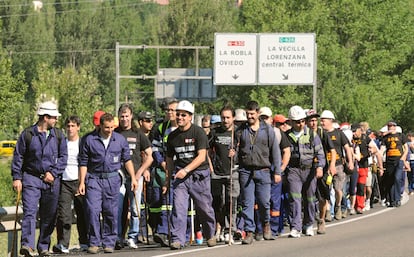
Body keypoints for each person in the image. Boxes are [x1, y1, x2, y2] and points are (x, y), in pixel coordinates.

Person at [11, 101, 68, 257]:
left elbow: (63, 157)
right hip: (31, 178)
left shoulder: (58, 135)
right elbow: (18, 157)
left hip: (51, 181)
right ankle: (27, 246)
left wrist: (54, 173)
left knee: (49, 214)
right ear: (45, 117)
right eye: (54, 117)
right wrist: (17, 177)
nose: (56, 120)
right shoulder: (28, 134)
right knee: (30, 212)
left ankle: (43, 246)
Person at [78, 113, 138, 254]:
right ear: (100, 125)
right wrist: (81, 182)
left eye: (112, 127)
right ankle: (94, 242)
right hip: (94, 179)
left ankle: (109, 241)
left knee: (111, 212)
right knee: (92, 210)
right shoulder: (89, 139)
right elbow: (83, 162)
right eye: (106, 127)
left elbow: (127, 160)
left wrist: (133, 178)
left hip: (112, 179)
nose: (109, 130)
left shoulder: (120, 140)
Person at [165, 100, 217, 250]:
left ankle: (210, 234)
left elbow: (202, 156)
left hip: (198, 175)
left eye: (183, 115)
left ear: (190, 117)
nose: (180, 117)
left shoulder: (198, 132)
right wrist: (167, 181)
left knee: (204, 208)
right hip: (180, 177)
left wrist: (186, 170)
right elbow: (169, 160)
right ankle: (177, 239)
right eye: (178, 114)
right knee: (178, 208)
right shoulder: (172, 136)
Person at [235, 100, 282, 245]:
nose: (250, 116)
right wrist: (233, 154)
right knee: (247, 203)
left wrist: (277, 171)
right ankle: (249, 231)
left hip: (264, 170)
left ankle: (266, 225)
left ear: (258, 113)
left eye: (252, 114)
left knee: (264, 202)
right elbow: (237, 151)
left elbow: (275, 151)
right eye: (248, 114)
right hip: (246, 171)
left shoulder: (268, 130)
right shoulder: (241, 130)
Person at [114, 105, 153, 249]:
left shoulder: (138, 133)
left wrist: (140, 172)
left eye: (127, 116)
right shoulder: (115, 133)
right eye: (122, 116)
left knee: (136, 210)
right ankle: (118, 237)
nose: (124, 119)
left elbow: (150, 157)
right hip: (118, 177)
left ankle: (132, 236)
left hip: (135, 177)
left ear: (131, 116)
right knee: (118, 209)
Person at [285, 106, 325, 238]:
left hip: (309, 170)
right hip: (293, 170)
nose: (300, 124)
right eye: (297, 121)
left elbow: (320, 153)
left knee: (310, 198)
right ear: (291, 121)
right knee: (295, 199)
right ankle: (295, 226)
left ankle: (308, 225)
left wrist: (320, 167)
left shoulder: (312, 135)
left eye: (302, 121)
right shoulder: (287, 136)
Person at [53, 116, 88, 254]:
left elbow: (85, 163)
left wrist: (82, 182)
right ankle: (63, 243)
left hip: (79, 181)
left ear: (78, 127)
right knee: (64, 215)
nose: (70, 128)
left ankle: (84, 241)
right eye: (68, 126)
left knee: (82, 213)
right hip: (65, 182)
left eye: (73, 126)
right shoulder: (62, 143)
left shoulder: (82, 143)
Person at [149, 97, 179, 247]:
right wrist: (161, 162)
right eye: (168, 110)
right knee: (165, 201)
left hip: (180, 169)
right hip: (163, 169)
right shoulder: (161, 128)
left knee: (176, 203)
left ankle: (177, 233)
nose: (170, 113)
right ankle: (161, 231)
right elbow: (155, 147)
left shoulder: (183, 127)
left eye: (173, 110)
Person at [209, 105, 239, 244]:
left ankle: (230, 229)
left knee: (231, 202)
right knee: (218, 203)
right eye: (223, 117)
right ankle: (219, 228)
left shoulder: (238, 133)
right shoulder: (215, 132)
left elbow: (244, 151)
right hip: (217, 173)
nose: (225, 120)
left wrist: (236, 153)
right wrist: (210, 167)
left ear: (233, 118)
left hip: (233, 172)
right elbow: (206, 150)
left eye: (228, 117)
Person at [306, 109, 336, 234]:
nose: (313, 123)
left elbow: (332, 151)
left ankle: (321, 220)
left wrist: (332, 165)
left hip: (322, 169)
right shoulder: (304, 134)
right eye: (311, 120)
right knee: (308, 197)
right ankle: (307, 222)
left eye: (315, 120)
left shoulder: (322, 134)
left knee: (323, 197)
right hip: (307, 169)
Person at [320, 110, 354, 220]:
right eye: (321, 120)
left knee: (338, 190)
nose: (322, 122)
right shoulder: (320, 134)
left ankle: (338, 206)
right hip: (325, 165)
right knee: (326, 190)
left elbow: (347, 148)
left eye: (324, 120)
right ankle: (328, 210)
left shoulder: (339, 133)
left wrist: (350, 162)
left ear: (330, 120)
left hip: (339, 165)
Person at [379, 120, 409, 207]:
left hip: (399, 160)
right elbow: (382, 149)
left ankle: (397, 198)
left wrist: (403, 158)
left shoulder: (401, 136)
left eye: (392, 126)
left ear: (395, 127)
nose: (391, 127)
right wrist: (378, 155)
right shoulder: (386, 138)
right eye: (389, 126)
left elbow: (406, 148)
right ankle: (392, 200)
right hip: (389, 161)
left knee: (397, 178)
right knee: (390, 180)